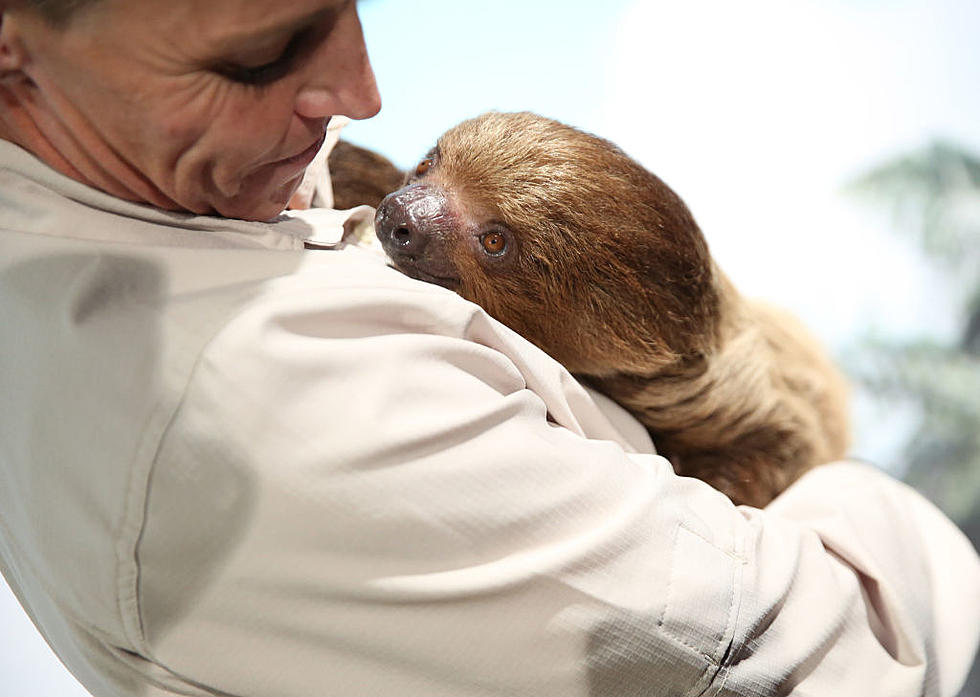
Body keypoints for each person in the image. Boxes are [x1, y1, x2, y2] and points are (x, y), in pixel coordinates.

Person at [0, 0, 977, 695]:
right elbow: (844, 652)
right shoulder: (266, 400)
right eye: (261, 53)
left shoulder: (147, 189)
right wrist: (864, 500)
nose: (360, 95)